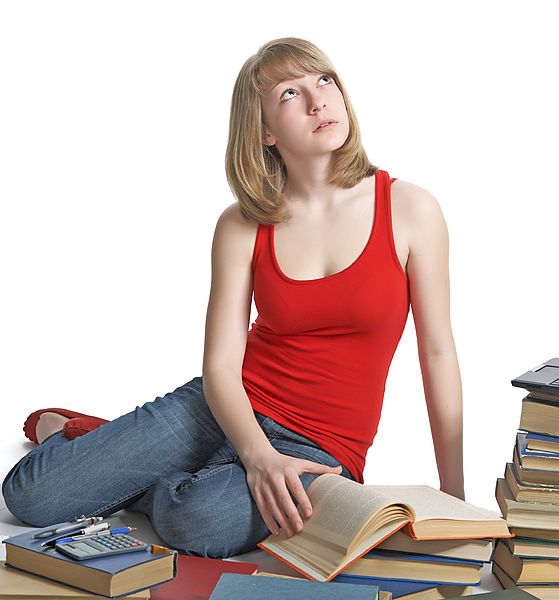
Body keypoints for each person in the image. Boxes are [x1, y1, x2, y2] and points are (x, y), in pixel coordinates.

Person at [2, 37, 464, 559]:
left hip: (319, 444)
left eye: (325, 81)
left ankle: (118, 457)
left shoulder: (410, 209)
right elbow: (221, 366)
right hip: (223, 405)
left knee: (196, 522)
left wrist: (456, 496)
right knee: (30, 496)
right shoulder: (242, 224)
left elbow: (437, 354)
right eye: (291, 93)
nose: (318, 101)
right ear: (265, 131)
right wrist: (254, 454)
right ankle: (93, 440)